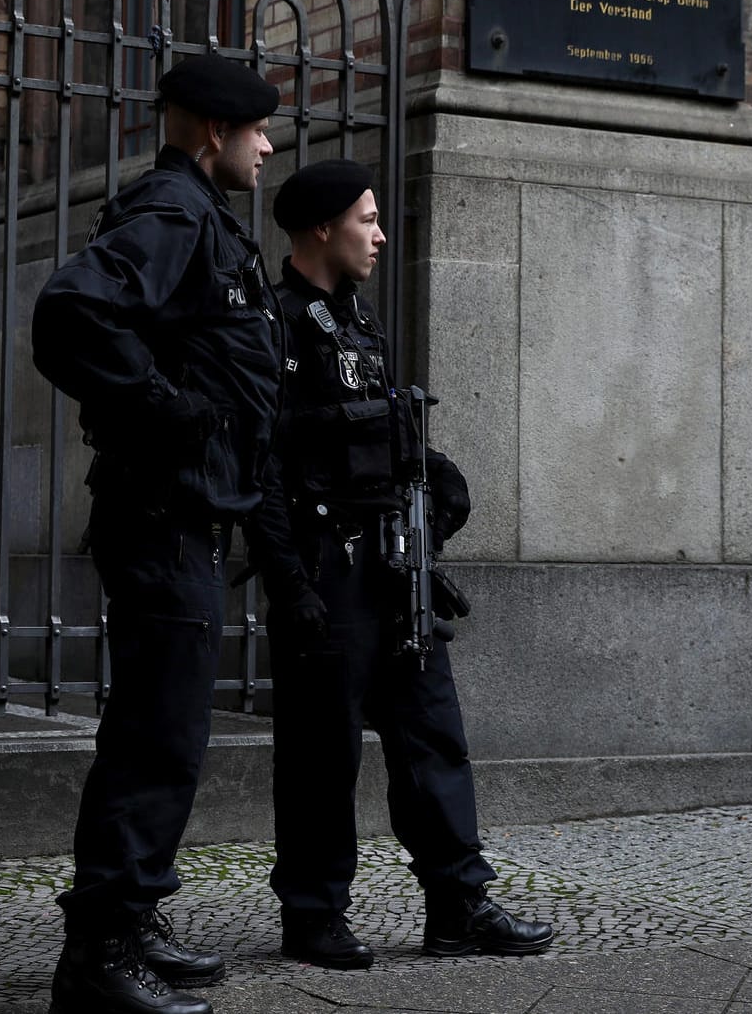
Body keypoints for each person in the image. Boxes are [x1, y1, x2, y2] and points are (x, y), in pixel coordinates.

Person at [31, 53, 289, 1014]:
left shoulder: (202, 218)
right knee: (156, 738)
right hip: (161, 512)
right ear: (211, 132)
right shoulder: (175, 212)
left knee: (163, 733)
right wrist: (165, 408)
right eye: (255, 129)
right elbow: (71, 311)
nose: (267, 145)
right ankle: (99, 957)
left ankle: (131, 922)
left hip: (184, 512)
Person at [252, 158, 554, 970]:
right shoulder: (275, 325)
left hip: (392, 564)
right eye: (366, 219)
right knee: (322, 756)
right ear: (322, 228)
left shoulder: (358, 318)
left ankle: (457, 905)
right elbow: (264, 471)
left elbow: (378, 429)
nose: (380, 234)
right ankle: (314, 915)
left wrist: (431, 467)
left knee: (433, 736)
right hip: (325, 567)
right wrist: (289, 584)